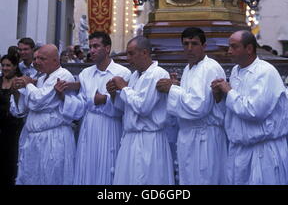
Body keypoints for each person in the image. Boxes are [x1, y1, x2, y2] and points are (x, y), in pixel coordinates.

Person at [211, 30, 288, 185]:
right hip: (239, 151)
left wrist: (229, 91)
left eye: (234, 47)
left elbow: (254, 111)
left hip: (262, 152)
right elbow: (234, 109)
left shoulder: (265, 72)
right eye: (229, 47)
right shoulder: (235, 71)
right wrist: (219, 94)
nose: (229, 51)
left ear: (249, 49)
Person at [56, 31, 131, 185]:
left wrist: (105, 99)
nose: (92, 50)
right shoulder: (85, 73)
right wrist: (64, 97)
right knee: (86, 167)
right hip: (89, 126)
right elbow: (82, 104)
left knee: (108, 165)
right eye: (90, 47)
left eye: (96, 46)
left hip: (110, 126)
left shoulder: (123, 73)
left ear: (107, 48)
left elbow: (126, 104)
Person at [156, 27, 227, 185]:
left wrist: (172, 89)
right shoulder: (189, 68)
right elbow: (190, 96)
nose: (189, 48)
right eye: (185, 44)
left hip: (205, 137)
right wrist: (177, 86)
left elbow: (198, 107)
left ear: (204, 46)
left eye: (194, 43)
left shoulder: (210, 68)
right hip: (189, 136)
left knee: (205, 179)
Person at [107, 36, 174, 185]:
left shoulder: (158, 74)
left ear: (144, 53)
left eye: (131, 54)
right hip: (131, 138)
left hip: (149, 139)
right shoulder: (134, 76)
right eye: (127, 54)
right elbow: (125, 108)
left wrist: (124, 88)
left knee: (149, 180)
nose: (128, 58)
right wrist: (114, 94)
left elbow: (143, 107)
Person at [10, 44, 76, 185]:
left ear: (55, 60)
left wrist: (28, 84)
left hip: (53, 138)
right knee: (32, 177)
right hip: (34, 139)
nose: (37, 62)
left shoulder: (63, 75)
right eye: (36, 58)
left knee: (51, 177)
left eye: (42, 58)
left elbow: (39, 101)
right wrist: (17, 91)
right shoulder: (40, 78)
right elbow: (23, 109)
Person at [0, 54, 24, 185]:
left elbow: (21, 106)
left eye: (8, 65)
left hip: (13, 129)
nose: (5, 68)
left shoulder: (19, 82)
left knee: (10, 160)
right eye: (3, 65)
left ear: (15, 66)